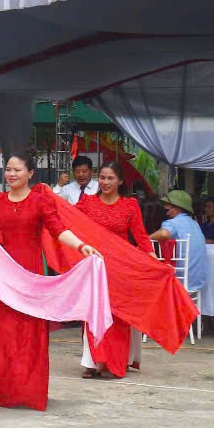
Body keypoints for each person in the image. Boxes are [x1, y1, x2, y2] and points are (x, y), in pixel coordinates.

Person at [0, 151, 100, 411]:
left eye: (17, 170)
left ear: (30, 173)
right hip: (5, 275)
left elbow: (58, 229)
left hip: (30, 274)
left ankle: (27, 390)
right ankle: (1, 389)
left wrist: (81, 245)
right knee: (2, 330)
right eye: (9, 169)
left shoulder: (40, 202)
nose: (11, 174)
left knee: (28, 331)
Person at [76, 161, 152, 379]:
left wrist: (154, 260)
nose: (105, 182)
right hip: (95, 267)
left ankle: (119, 360)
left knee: (118, 315)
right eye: (102, 177)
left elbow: (141, 236)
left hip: (121, 268)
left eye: (110, 178)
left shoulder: (130, 205)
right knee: (93, 313)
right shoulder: (87, 202)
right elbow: (67, 218)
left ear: (120, 181)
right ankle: (92, 362)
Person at [150, 190, 209, 317]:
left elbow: (164, 234)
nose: (165, 209)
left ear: (177, 207)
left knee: (146, 281)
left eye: (167, 206)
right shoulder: (195, 224)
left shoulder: (172, 223)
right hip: (198, 282)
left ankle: (160, 321)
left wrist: (145, 239)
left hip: (181, 283)